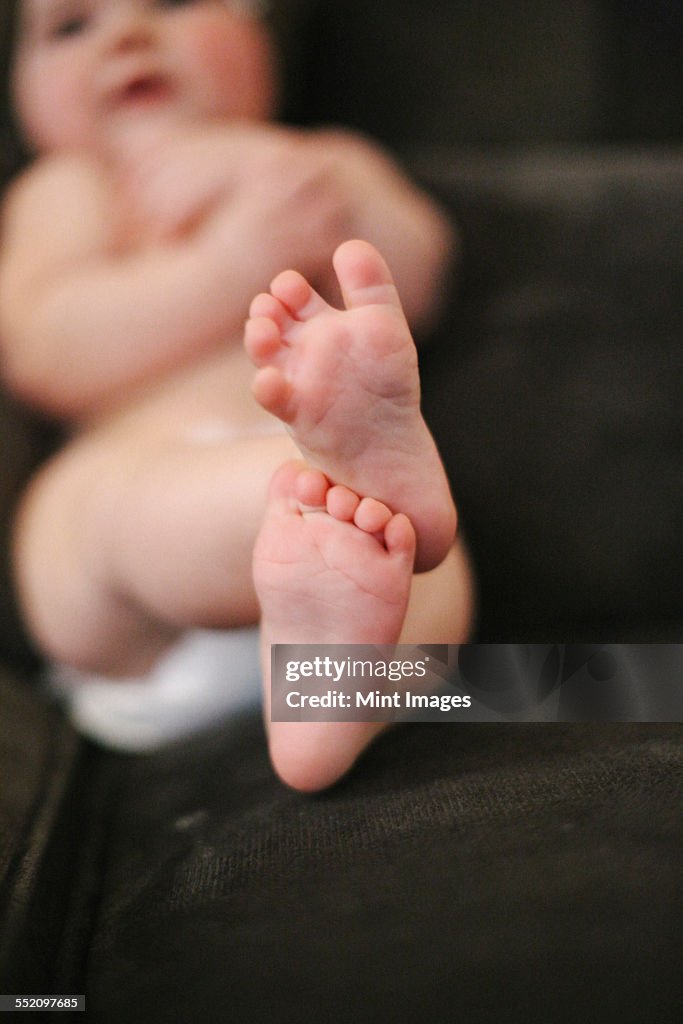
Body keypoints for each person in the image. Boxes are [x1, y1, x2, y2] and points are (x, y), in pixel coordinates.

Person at [0, 0, 474, 791]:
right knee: (113, 508)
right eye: (71, 26)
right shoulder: (70, 190)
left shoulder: (314, 164)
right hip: (136, 517)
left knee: (423, 552)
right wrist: (227, 265)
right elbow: (41, 349)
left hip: (318, 499)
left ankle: (330, 699)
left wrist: (271, 171)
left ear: (261, 34)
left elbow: (418, 279)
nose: (128, 34)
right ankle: (325, 546)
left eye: (173, 3)